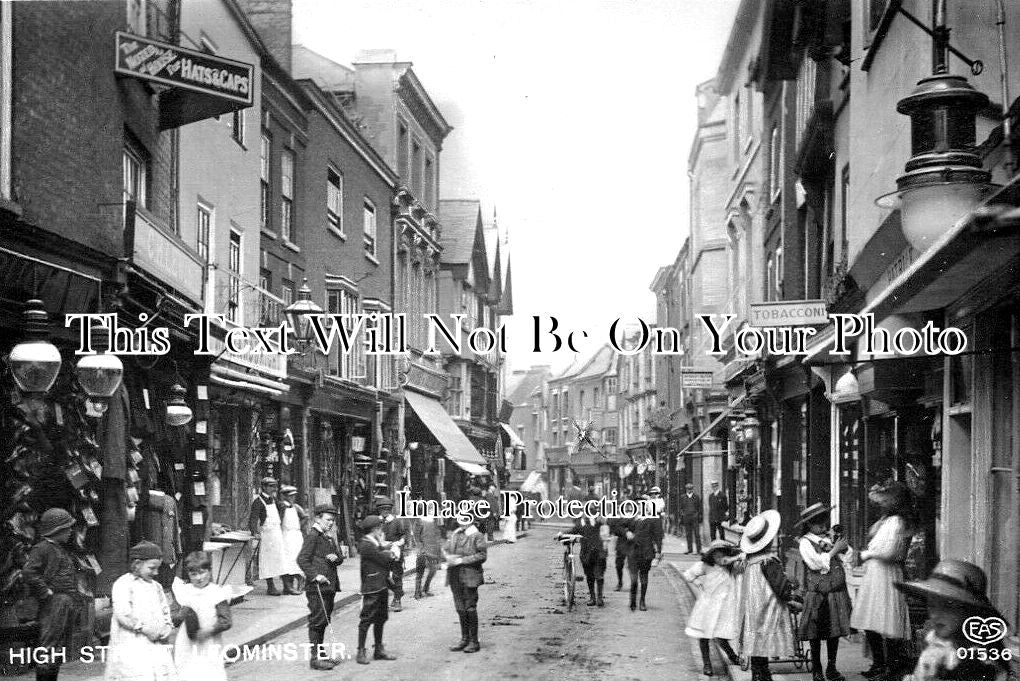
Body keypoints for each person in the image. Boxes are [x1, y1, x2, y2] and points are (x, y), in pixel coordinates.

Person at [895, 560, 1012, 681]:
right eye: (932, 605)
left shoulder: (979, 659)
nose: (935, 615)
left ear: (969, 610)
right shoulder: (940, 641)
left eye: (947, 606)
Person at [849, 481, 914, 680]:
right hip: (876, 574)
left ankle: (890, 667)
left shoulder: (897, 522)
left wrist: (866, 554)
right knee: (872, 618)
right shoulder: (887, 521)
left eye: (885, 501)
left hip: (885, 574)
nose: (881, 505)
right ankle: (879, 663)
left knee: (886, 620)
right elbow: (876, 539)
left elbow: (889, 551)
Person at [738, 510, 800, 681]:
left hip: (753, 608)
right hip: (768, 607)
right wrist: (791, 598)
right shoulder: (769, 562)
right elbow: (781, 587)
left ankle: (758, 674)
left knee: (757, 645)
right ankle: (762, 675)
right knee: (765, 642)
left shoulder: (750, 561)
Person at [21, 509, 83, 681]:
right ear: (57, 530)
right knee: (49, 643)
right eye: (67, 528)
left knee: (58, 645)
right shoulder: (42, 548)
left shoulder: (59, 548)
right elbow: (29, 572)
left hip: (64, 602)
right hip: (54, 601)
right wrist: (44, 590)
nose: (70, 531)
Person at [795, 503, 853, 681]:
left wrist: (841, 546)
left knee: (834, 632)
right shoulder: (805, 542)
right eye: (817, 522)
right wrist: (834, 550)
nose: (822, 525)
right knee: (815, 633)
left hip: (835, 591)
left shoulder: (829, 538)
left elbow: (847, 556)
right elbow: (815, 564)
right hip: (818, 593)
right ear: (809, 524)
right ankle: (817, 669)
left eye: (824, 521)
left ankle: (832, 668)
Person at [104, 541, 177, 681]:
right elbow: (123, 613)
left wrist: (168, 626)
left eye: (158, 568)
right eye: (152, 568)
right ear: (137, 564)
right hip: (132, 641)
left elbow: (165, 609)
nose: (156, 572)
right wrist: (145, 629)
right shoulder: (124, 584)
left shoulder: (156, 587)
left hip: (156, 642)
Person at [683, 539, 743, 676]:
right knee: (704, 635)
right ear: (711, 555)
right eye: (716, 554)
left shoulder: (730, 568)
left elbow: (741, 568)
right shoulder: (705, 566)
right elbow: (688, 574)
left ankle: (732, 656)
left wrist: (738, 556)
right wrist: (697, 582)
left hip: (723, 607)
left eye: (722, 554)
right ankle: (707, 663)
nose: (719, 557)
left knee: (721, 635)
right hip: (707, 605)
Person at [296, 505, 345, 670]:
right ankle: (315, 659)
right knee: (317, 621)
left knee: (324, 620)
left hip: (329, 587)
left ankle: (321, 655)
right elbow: (302, 559)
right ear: (317, 518)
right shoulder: (313, 536)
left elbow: (340, 557)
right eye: (328, 519)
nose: (331, 523)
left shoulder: (328, 536)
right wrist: (315, 575)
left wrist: (336, 557)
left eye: (333, 520)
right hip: (317, 587)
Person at [171, 551, 232, 681]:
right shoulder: (185, 591)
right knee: (188, 671)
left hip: (209, 640)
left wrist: (209, 630)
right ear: (188, 575)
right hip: (187, 641)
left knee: (209, 671)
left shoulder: (216, 592)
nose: (199, 578)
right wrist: (183, 613)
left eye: (202, 572)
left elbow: (226, 620)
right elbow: (174, 618)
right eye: (194, 574)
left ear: (209, 571)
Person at [355, 515, 398, 664]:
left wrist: (386, 548)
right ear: (374, 529)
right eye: (380, 528)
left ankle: (378, 649)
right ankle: (361, 651)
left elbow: (382, 551)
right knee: (366, 620)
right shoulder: (366, 544)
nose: (381, 531)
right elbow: (382, 557)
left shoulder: (373, 542)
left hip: (381, 585)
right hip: (372, 587)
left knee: (381, 618)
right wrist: (391, 553)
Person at [443, 514, 488, 653]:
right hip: (454, 576)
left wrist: (461, 560)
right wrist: (447, 556)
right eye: (460, 519)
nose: (462, 523)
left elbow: (482, 555)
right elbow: (446, 548)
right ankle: (464, 639)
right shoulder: (456, 533)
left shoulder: (477, 535)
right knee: (460, 608)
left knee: (469, 607)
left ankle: (474, 641)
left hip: (470, 576)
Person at [248, 477, 286, 596]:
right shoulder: (258, 502)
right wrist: (254, 532)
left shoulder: (274, 500)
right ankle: (270, 586)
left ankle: (287, 585)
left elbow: (281, 510)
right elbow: (253, 518)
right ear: (264, 487)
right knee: (268, 560)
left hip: (277, 533)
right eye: (271, 486)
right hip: (268, 535)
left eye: (275, 486)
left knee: (280, 558)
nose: (274, 489)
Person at [561, 514, 608, 607]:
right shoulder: (580, 523)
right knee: (589, 576)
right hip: (586, 554)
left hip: (599, 553)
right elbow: (573, 530)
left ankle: (600, 598)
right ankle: (592, 597)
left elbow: (605, 524)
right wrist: (562, 534)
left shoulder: (598, 520)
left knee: (599, 576)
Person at [626, 496, 663, 611]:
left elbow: (658, 536)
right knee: (633, 579)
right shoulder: (630, 518)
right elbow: (616, 526)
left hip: (646, 552)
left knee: (644, 577)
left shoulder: (652, 519)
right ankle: (633, 600)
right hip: (633, 552)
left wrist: (658, 552)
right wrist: (626, 532)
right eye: (636, 505)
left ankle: (642, 601)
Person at [373, 496, 408, 612]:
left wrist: (400, 542)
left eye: (387, 509)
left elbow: (403, 535)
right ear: (379, 510)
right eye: (382, 509)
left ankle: (397, 600)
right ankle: (397, 592)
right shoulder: (376, 522)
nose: (385, 511)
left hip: (394, 552)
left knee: (396, 576)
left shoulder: (396, 521)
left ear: (390, 510)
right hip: (381, 552)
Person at [278, 485, 304, 595]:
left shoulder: (296, 507)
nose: (292, 498)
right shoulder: (282, 506)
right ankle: (288, 586)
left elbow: (304, 517)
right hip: (286, 535)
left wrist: (298, 527)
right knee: (286, 560)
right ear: (284, 496)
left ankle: (299, 581)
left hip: (296, 535)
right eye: (290, 496)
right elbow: (279, 520)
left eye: (293, 496)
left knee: (295, 559)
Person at [412, 510, 443, 599]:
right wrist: (420, 548)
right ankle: (417, 592)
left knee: (433, 570)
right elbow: (416, 537)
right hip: (423, 550)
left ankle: (426, 589)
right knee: (420, 572)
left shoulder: (434, 521)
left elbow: (437, 536)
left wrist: (439, 550)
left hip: (433, 551)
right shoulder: (419, 520)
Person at [608, 508, 634, 592]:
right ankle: (620, 583)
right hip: (621, 544)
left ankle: (633, 584)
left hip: (633, 544)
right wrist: (625, 532)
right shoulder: (619, 517)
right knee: (619, 565)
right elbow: (615, 527)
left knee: (632, 565)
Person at [679, 482, 704, 554]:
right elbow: (681, 507)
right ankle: (690, 549)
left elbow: (699, 507)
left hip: (694, 517)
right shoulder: (683, 497)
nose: (689, 490)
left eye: (690, 489)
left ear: (692, 489)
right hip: (686, 517)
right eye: (688, 489)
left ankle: (699, 550)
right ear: (686, 489)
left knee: (697, 534)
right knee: (688, 534)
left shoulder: (696, 497)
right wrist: (683, 514)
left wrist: (697, 515)